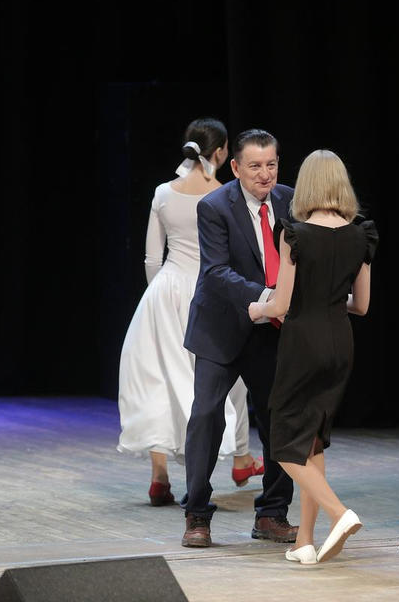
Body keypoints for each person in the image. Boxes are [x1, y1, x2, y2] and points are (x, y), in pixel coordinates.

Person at [117, 118, 264, 507]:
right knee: (219, 381)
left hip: (165, 292)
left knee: (158, 381)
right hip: (210, 293)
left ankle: (159, 476)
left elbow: (152, 258)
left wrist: (158, 298)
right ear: (222, 152)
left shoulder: (164, 193)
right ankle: (227, 464)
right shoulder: (225, 195)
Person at [248, 149, 376, 565]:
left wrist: (257, 308)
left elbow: (281, 304)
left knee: (284, 443)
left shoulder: (295, 234)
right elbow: (362, 306)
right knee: (312, 439)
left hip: (304, 340)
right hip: (341, 341)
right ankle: (304, 540)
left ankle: (340, 513)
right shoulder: (361, 234)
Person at [181, 129, 297, 547]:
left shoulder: (290, 200)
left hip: (271, 331)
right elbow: (216, 272)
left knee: (278, 419)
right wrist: (268, 298)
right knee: (206, 416)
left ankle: (272, 514)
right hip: (222, 327)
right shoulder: (215, 206)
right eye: (255, 166)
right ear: (235, 167)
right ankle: (197, 514)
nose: (265, 174)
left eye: (271, 165)